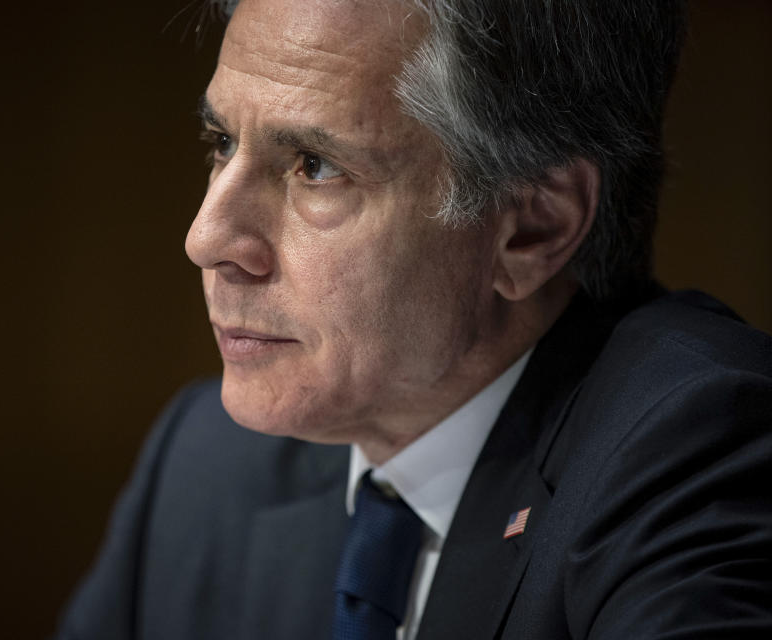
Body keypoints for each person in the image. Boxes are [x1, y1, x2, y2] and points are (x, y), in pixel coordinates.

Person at [55, 0, 772, 638]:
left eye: (314, 165)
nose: (206, 239)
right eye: (222, 144)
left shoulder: (699, 450)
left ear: (533, 229)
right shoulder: (206, 460)